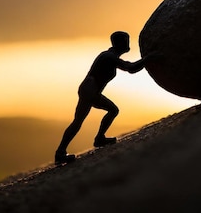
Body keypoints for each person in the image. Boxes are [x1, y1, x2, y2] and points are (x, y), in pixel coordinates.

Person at [55, 31, 151, 164]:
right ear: (121, 43)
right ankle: (66, 150)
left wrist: (147, 60)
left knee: (81, 120)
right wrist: (149, 58)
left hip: (89, 89)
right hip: (90, 90)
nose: (128, 43)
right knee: (108, 112)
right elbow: (131, 68)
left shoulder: (110, 56)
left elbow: (130, 67)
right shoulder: (109, 57)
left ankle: (92, 141)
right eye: (125, 41)